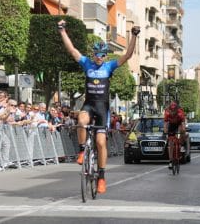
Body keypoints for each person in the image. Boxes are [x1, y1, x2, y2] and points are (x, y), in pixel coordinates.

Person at [58, 19, 140, 194]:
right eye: (97, 54)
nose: (100, 57)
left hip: (102, 108)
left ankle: (101, 177)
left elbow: (127, 56)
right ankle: (81, 151)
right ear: (93, 54)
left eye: (103, 55)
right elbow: (72, 50)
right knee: (81, 120)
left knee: (101, 142)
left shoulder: (109, 66)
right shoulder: (87, 63)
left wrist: (133, 36)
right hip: (89, 104)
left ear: (106, 56)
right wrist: (62, 31)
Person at [163, 100, 186, 169]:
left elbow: (182, 123)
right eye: (171, 111)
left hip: (178, 123)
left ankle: (181, 146)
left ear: (176, 110)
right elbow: (166, 123)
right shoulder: (167, 112)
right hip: (171, 125)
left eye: (174, 111)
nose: (172, 112)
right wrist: (165, 131)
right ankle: (170, 161)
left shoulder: (180, 113)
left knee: (182, 132)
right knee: (170, 143)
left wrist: (183, 131)